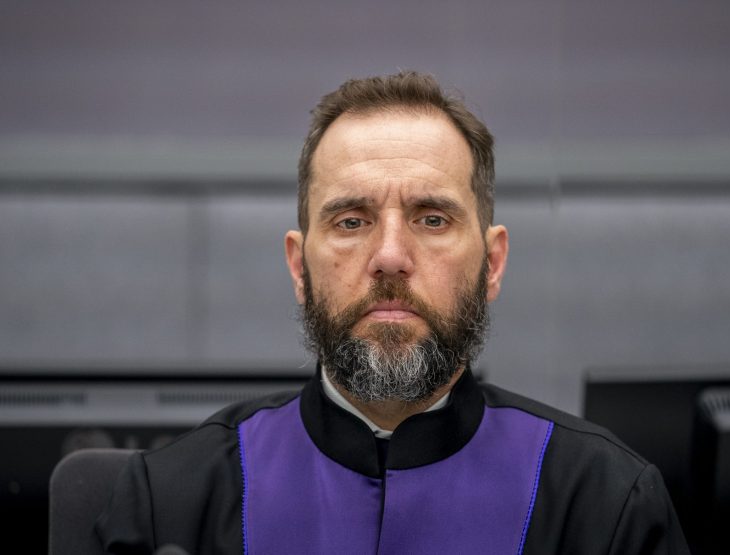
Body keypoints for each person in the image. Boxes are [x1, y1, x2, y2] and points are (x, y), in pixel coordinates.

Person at [97, 71, 689, 554]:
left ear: (493, 263)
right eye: (351, 221)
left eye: (432, 219)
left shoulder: (606, 503)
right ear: (300, 268)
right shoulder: (169, 505)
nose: (389, 257)